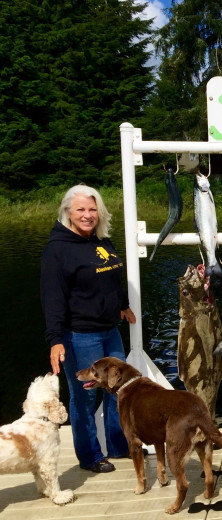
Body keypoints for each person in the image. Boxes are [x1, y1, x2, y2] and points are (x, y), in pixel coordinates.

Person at [40, 185, 135, 472]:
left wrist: (123, 303)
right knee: (84, 395)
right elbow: (52, 297)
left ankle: (119, 445)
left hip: (110, 329)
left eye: (92, 209)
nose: (87, 215)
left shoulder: (102, 241)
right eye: (81, 209)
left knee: (119, 389)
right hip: (79, 335)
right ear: (68, 211)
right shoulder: (57, 250)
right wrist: (56, 339)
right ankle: (90, 456)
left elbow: (112, 278)